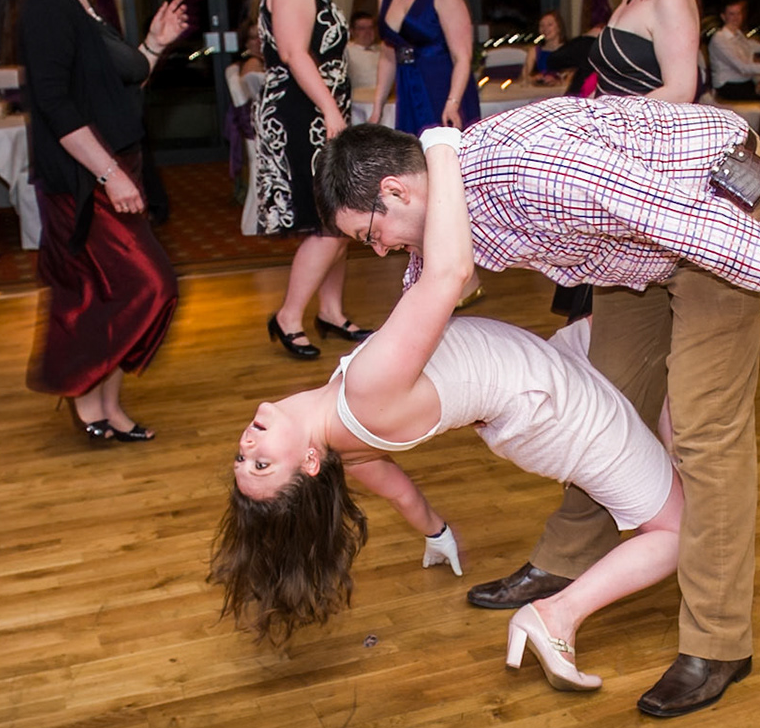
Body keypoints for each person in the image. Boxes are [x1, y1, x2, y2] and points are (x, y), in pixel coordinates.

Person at [315, 95, 760, 717]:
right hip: (630, 252)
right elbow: (422, 306)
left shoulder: (531, 170)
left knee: (703, 428)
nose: (379, 248)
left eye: (370, 233)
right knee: (606, 402)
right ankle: (565, 562)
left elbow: (691, 221)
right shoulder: (445, 207)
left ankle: (720, 642)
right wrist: (346, 424)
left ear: (397, 192)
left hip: (721, 202)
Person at [214, 129, 682, 690]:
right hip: (556, 410)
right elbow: (449, 273)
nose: (246, 448)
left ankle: (663, 453)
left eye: (241, 462)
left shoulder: (351, 447)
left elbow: (404, 494)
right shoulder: (362, 391)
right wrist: (439, 146)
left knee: (654, 337)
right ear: (309, 462)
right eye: (262, 465)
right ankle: (557, 615)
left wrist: (436, 533)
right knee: (677, 532)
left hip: (538, 384)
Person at [17, 0, 188, 442]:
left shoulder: (83, 6)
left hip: (112, 168)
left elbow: (117, 83)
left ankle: (106, 407)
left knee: (110, 291)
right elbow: (54, 104)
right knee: (146, 284)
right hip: (85, 182)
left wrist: (154, 44)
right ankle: (84, 394)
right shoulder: (47, 6)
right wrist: (109, 175)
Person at [553, 0, 705, 320]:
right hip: (615, 151)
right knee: (598, 298)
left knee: (620, 303)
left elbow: (680, 89)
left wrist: (610, 122)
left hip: (642, 155)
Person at [251, 0, 368, 361]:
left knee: (337, 218)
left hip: (313, 110)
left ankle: (332, 312)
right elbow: (293, 53)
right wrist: (331, 110)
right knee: (329, 222)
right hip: (304, 115)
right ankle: (289, 317)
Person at [372, 0, 481, 134]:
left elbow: (462, 56)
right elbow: (387, 56)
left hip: (442, 87)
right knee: (411, 160)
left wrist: (453, 103)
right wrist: (377, 108)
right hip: (408, 90)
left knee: (444, 158)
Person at [708, 0, 760, 102]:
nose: (736, 17)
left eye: (738, 13)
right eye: (731, 14)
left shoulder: (738, 35)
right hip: (728, 85)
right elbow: (743, 67)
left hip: (743, 82)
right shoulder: (720, 39)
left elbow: (755, 49)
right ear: (723, 17)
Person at [523, 10, 569, 84]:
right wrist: (534, 79)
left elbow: (573, 77)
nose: (545, 29)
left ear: (559, 28)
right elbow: (524, 77)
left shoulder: (569, 50)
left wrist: (557, 81)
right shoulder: (534, 51)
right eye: (542, 25)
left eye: (549, 25)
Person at [344, 10, 381, 92]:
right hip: (359, 99)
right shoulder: (346, 51)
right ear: (352, 31)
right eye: (362, 29)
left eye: (370, 27)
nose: (367, 32)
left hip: (385, 98)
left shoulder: (383, 50)